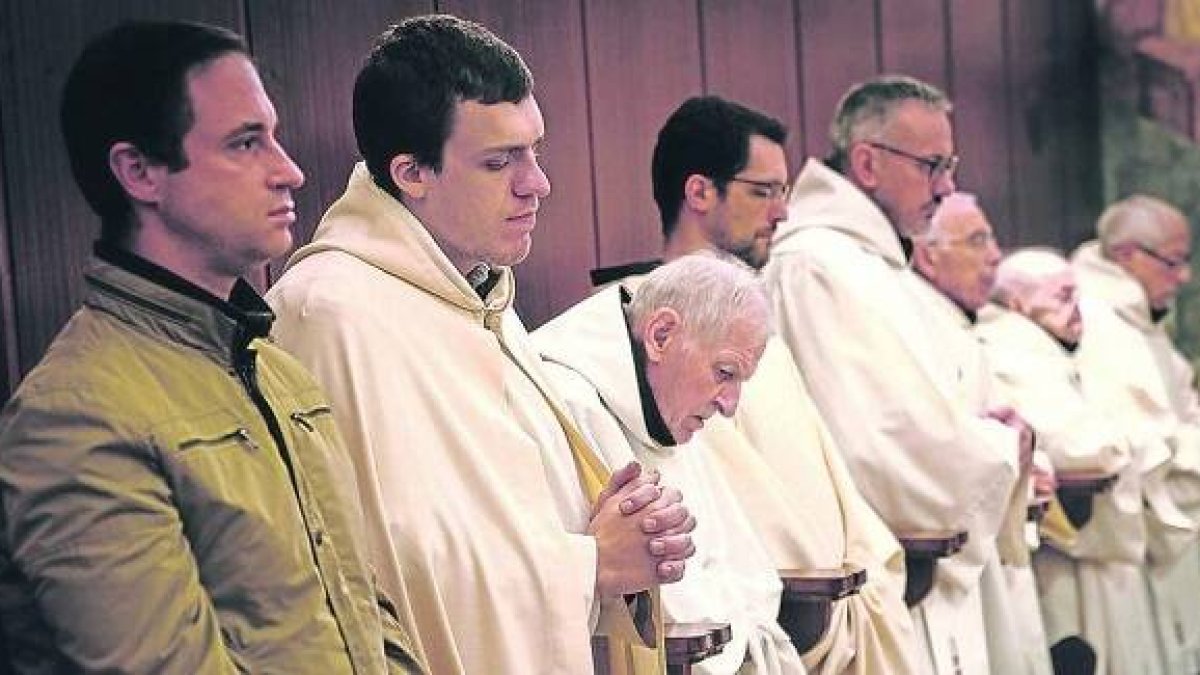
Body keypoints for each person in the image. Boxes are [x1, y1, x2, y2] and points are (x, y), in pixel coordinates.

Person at [266, 14, 694, 675]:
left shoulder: (477, 293)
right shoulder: (333, 314)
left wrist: (628, 524)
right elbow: (385, 578)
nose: (537, 184)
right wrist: (590, 564)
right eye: (499, 162)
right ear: (411, 171)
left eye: (535, 151)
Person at [0, 20, 423, 674]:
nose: (290, 170)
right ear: (139, 171)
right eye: (246, 142)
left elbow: (364, 610)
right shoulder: (74, 416)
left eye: (273, 137)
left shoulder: (274, 369)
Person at [592, 95, 920, 675]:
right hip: (776, 610)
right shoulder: (656, 340)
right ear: (699, 193)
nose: (782, 212)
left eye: (784, 192)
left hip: (822, 608)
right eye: (763, 192)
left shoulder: (745, 319)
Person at [764, 75, 1022, 675]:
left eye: (949, 165)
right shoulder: (816, 266)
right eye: (933, 166)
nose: (948, 186)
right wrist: (1006, 446)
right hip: (894, 567)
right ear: (868, 163)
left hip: (931, 565)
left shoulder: (875, 264)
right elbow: (877, 436)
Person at [534, 254, 805, 675]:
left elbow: (748, 574)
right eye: (725, 372)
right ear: (661, 335)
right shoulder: (567, 404)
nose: (730, 406)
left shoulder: (666, 409)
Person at [980, 247, 1165, 675]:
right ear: (1017, 302)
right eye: (1062, 297)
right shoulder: (1010, 347)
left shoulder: (1048, 344)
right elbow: (1083, 445)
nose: (1076, 310)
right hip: (1057, 550)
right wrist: (1122, 440)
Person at [910, 194, 1053, 675]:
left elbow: (1008, 418)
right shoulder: (918, 323)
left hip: (989, 540)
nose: (995, 254)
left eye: (991, 239)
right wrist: (1012, 451)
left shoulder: (961, 325)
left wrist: (1031, 459)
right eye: (976, 241)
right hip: (950, 552)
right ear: (928, 255)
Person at [1071, 195, 1200, 675]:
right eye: (1173, 261)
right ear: (1127, 256)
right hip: (1120, 545)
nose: (1183, 277)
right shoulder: (1097, 320)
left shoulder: (1137, 317)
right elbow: (1135, 439)